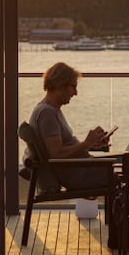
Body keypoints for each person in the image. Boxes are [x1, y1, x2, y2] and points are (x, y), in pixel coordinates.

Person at [29, 61, 111, 191]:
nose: (76, 93)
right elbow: (57, 154)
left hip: (81, 169)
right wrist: (85, 144)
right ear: (60, 85)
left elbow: (61, 150)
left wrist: (90, 144)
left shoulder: (50, 110)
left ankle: (127, 207)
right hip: (78, 175)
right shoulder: (47, 113)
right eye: (73, 86)